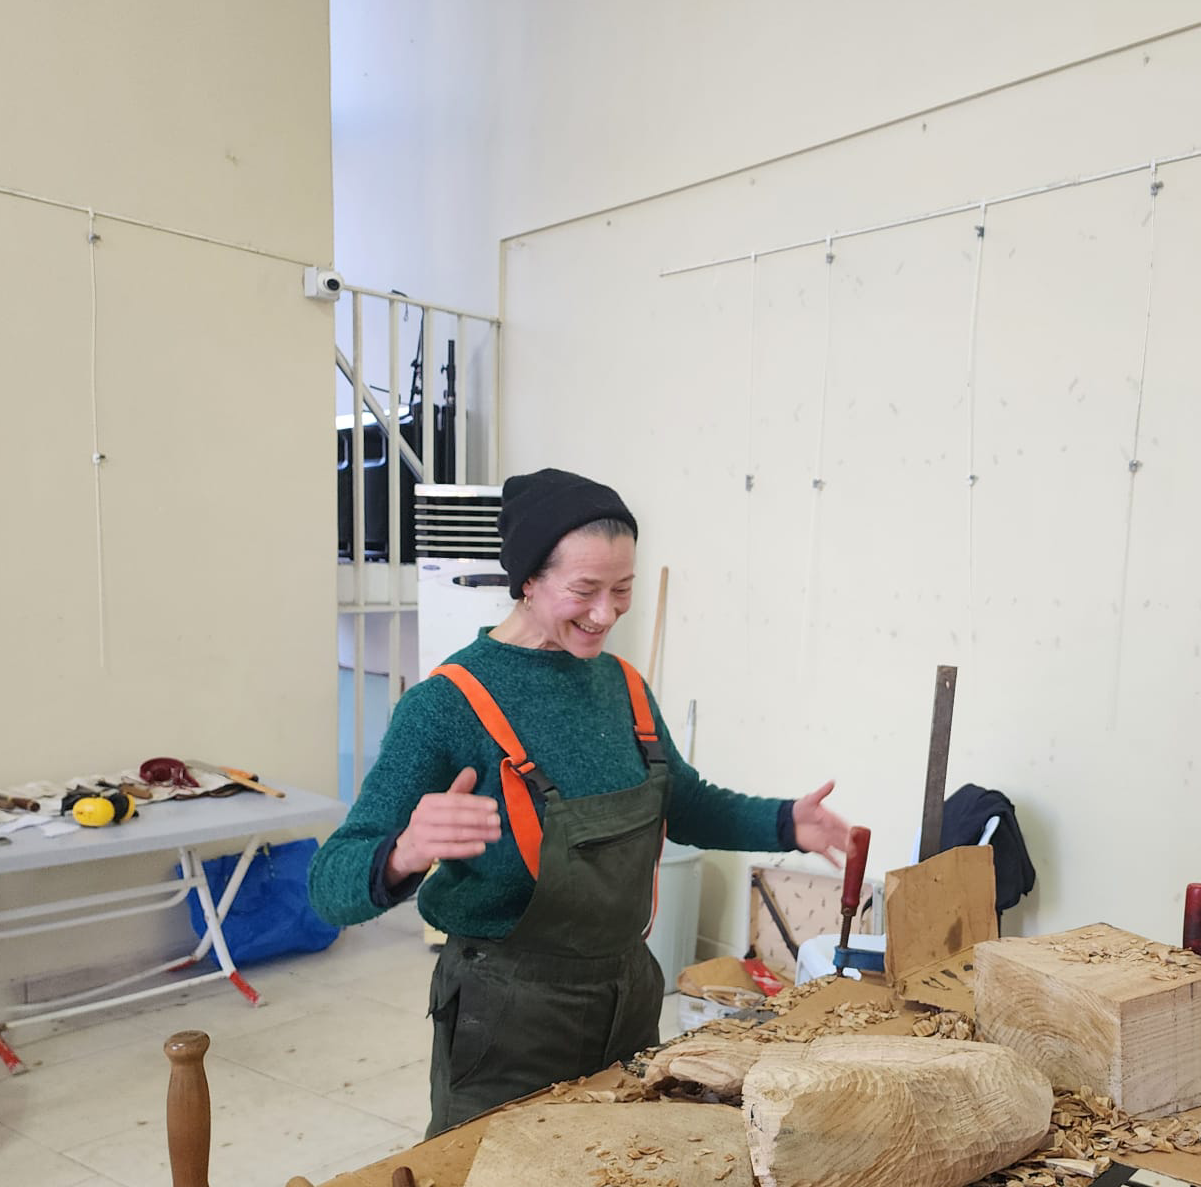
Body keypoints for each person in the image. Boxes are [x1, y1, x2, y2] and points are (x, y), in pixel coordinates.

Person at [309, 468, 852, 1136]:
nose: (605, 614)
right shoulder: (445, 706)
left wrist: (782, 822)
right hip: (505, 1015)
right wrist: (403, 853)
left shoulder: (622, 685)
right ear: (529, 580)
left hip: (628, 994)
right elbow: (331, 884)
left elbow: (682, 803)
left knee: (617, 1170)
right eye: (584, 591)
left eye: (622, 590)